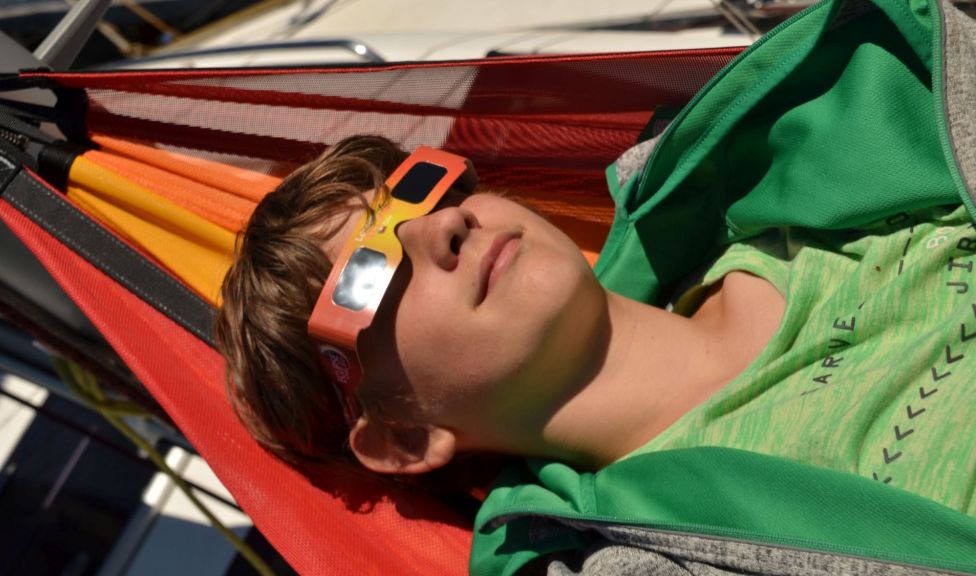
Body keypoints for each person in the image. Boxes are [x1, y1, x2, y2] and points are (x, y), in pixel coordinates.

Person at [215, 134, 975, 514]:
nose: (443, 227)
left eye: (425, 191)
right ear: (404, 438)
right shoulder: (689, 546)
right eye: (369, 276)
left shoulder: (809, 175)